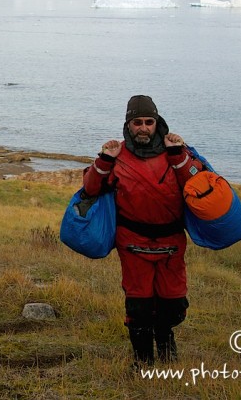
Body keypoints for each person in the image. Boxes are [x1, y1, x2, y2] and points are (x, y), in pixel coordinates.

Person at [82, 95, 203, 366]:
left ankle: (165, 336)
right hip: (132, 242)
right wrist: (103, 159)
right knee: (138, 306)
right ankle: (144, 362)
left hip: (171, 242)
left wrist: (179, 156)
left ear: (157, 122)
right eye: (137, 122)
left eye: (149, 122)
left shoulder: (177, 153)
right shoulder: (116, 155)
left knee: (173, 305)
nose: (144, 128)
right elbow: (91, 189)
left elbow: (198, 184)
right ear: (129, 124)